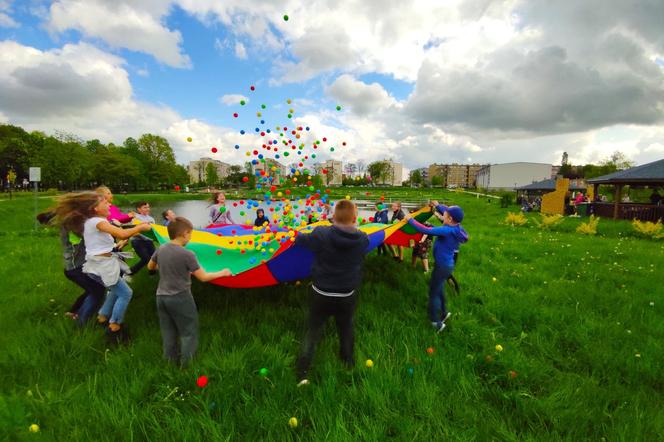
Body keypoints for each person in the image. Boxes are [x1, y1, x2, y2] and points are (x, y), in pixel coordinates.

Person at [293, 200, 369, 386]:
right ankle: (348, 363)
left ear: (333, 217)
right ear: (355, 218)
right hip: (346, 295)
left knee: (313, 330)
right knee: (346, 328)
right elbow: (353, 232)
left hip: (321, 293)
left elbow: (299, 239)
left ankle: (302, 372)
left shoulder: (321, 234)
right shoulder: (363, 240)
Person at [148, 217, 231, 366]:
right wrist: (223, 273)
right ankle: (187, 367)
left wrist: (168, 268)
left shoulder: (161, 248)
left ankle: (169, 363)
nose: (190, 237)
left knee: (168, 332)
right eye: (190, 234)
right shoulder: (187, 254)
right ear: (184, 233)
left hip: (161, 297)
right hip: (180, 297)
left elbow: (150, 266)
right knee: (188, 332)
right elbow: (204, 277)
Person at [81, 193, 151, 341]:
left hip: (99, 264)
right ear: (95, 208)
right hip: (102, 266)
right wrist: (140, 228)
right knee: (126, 293)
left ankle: (102, 318)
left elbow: (99, 244)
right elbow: (121, 233)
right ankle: (114, 328)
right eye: (105, 202)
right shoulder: (97, 221)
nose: (109, 205)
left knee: (115, 290)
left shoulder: (94, 221)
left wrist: (116, 245)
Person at [405, 201, 468, 333]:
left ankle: (436, 323)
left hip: (442, 266)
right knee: (439, 289)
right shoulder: (456, 227)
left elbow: (425, 230)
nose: (441, 215)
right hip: (446, 265)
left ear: (449, 218)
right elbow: (447, 210)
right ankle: (444, 313)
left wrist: (410, 220)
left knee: (433, 293)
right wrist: (438, 205)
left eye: (443, 214)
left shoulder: (446, 230)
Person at [37, 210, 106, 327]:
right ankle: (81, 322)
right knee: (97, 291)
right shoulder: (71, 227)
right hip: (75, 269)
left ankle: (74, 312)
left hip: (77, 267)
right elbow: (86, 234)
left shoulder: (71, 224)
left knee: (94, 289)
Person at [129, 201, 156, 275]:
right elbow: (134, 232)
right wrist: (146, 237)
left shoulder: (151, 219)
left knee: (154, 258)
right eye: (145, 207)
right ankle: (129, 273)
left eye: (148, 207)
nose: (147, 209)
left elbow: (154, 231)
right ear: (139, 209)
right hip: (138, 242)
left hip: (149, 242)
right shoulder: (135, 218)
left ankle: (152, 275)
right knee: (145, 259)